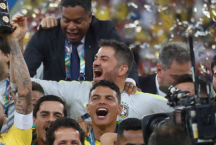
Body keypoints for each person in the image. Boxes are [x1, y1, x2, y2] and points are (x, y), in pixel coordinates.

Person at [32, 40, 172, 122]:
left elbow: (186, 115)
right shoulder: (76, 91)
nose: (95, 63)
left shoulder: (144, 100)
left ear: (122, 70)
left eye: (104, 59)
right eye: (95, 58)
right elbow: (25, 83)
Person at [23, 0, 138, 83]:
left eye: (78, 21)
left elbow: (125, 58)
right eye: (66, 20)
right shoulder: (48, 32)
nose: (71, 27)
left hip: (92, 99)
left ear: (89, 18)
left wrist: (129, 81)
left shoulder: (103, 30)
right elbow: (25, 70)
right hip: (55, 104)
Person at [85, 80, 123, 145]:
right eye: (95, 98)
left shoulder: (131, 139)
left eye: (109, 99)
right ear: (88, 108)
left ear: (119, 109)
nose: (102, 102)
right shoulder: (77, 140)